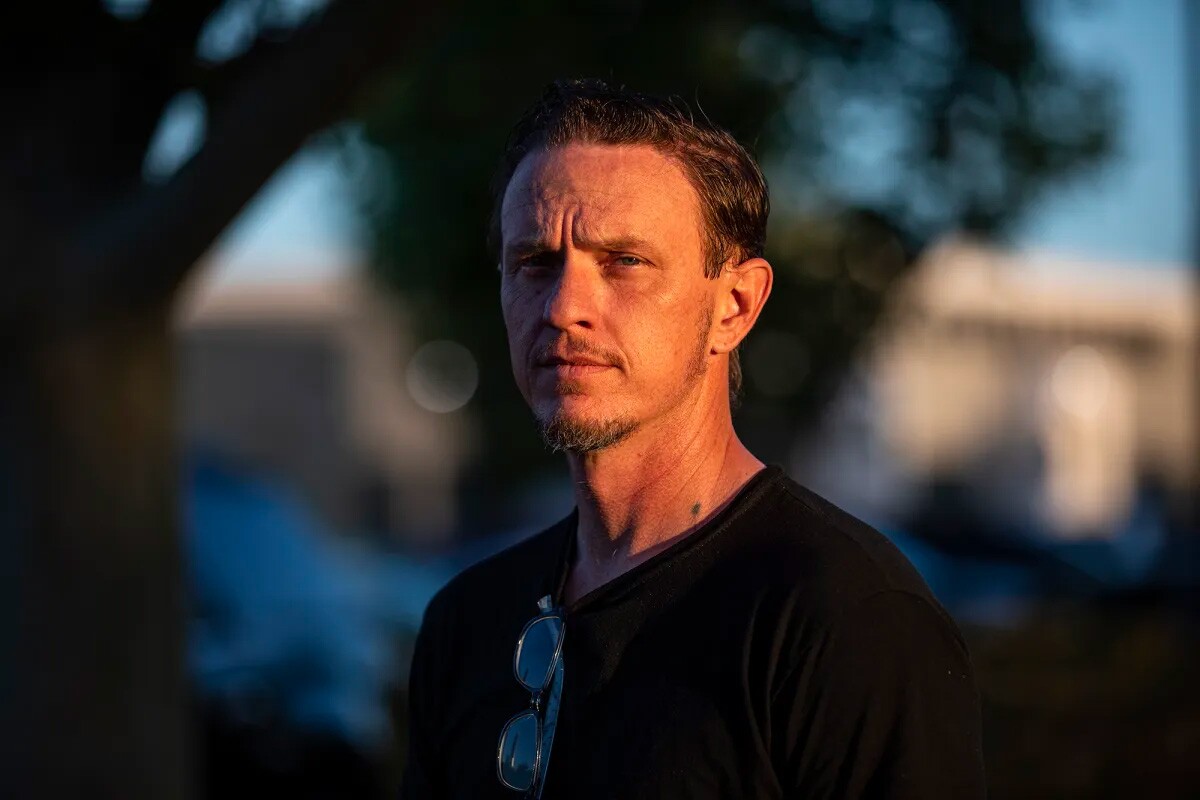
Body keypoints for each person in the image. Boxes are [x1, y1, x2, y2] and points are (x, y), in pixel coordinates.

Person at [399, 79, 986, 799]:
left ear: (734, 307)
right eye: (535, 264)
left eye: (626, 262)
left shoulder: (845, 617)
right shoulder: (466, 624)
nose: (564, 307)